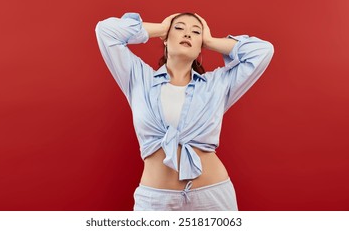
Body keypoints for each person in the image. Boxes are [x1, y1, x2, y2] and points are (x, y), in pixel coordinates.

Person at [95, 12, 274, 211]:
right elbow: (106, 31)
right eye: (179, 28)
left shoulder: (216, 84)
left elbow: (263, 51)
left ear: (200, 48)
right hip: (156, 200)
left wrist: (211, 41)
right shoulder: (139, 78)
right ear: (165, 39)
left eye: (196, 32)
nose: (187, 34)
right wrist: (161, 28)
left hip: (212, 196)